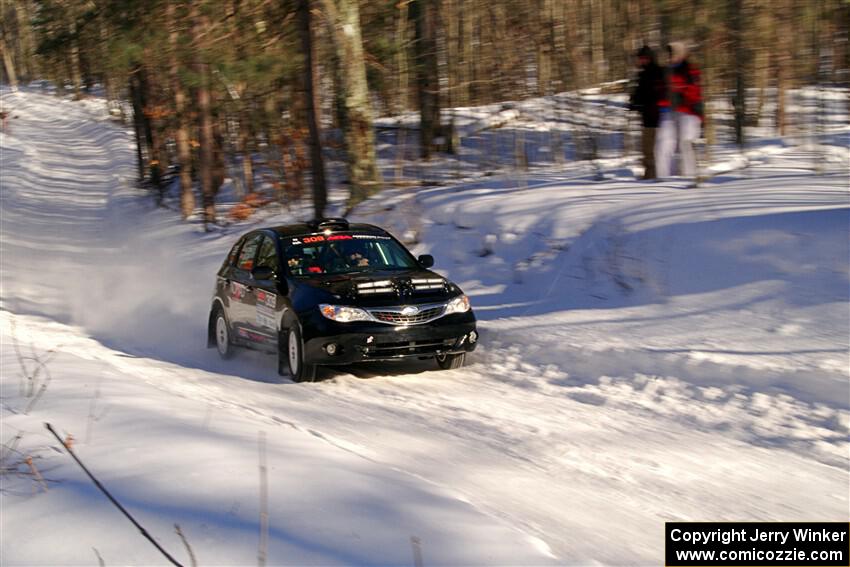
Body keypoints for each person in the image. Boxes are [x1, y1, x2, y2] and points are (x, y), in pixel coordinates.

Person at [656, 42, 704, 179]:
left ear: (681, 54)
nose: (671, 57)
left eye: (674, 53)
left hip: (688, 112)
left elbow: (695, 92)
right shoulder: (665, 71)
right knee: (663, 144)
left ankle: (691, 177)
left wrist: (682, 95)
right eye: (669, 54)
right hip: (668, 111)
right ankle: (664, 178)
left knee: (685, 143)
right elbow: (660, 90)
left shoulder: (689, 70)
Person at [628, 45, 664, 179]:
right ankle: (650, 175)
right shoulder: (643, 74)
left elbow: (656, 93)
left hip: (657, 117)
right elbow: (639, 93)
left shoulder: (657, 72)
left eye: (644, 58)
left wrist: (639, 102)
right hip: (647, 117)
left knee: (652, 149)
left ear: (650, 58)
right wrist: (634, 102)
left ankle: (653, 176)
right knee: (647, 149)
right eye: (640, 58)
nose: (642, 61)